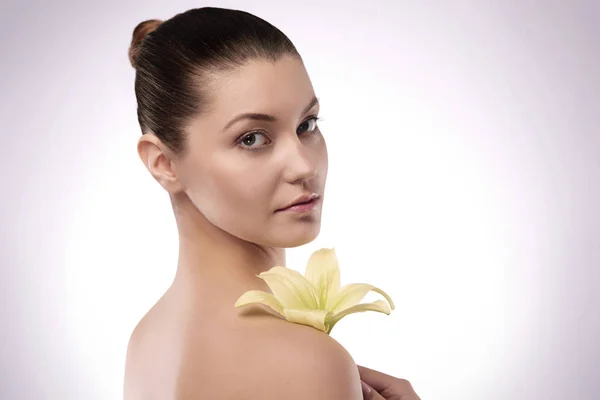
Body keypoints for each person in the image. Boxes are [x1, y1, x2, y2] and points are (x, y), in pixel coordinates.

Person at [124, 6, 420, 399]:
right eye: (252, 138)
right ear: (164, 164)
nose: (303, 166)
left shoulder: (147, 338)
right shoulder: (306, 361)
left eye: (307, 125)